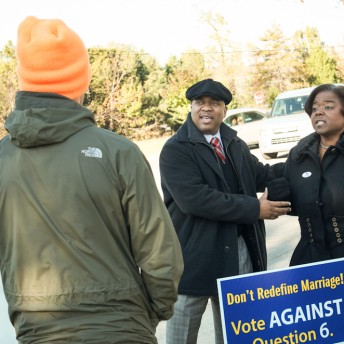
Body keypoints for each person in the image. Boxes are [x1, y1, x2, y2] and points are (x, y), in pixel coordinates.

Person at [0, 16, 183, 344]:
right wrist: (150, 313)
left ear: (26, 82)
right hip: (123, 327)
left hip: (36, 331)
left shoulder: (3, 160)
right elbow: (159, 254)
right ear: (80, 82)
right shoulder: (118, 152)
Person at [159, 78, 291, 344]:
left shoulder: (234, 144)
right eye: (200, 103)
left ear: (224, 111)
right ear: (191, 107)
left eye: (214, 103)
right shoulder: (175, 149)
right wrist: (256, 208)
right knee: (180, 338)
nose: (206, 109)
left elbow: (262, 174)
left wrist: (306, 156)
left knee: (237, 337)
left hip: (236, 254)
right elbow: (196, 199)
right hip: (192, 259)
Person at [282, 83, 344, 266]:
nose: (318, 112)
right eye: (315, 108)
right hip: (310, 259)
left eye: (328, 106)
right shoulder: (299, 154)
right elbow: (293, 202)